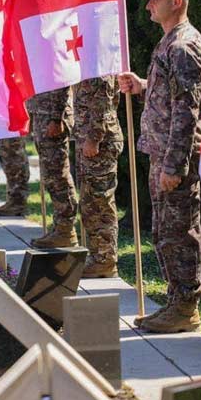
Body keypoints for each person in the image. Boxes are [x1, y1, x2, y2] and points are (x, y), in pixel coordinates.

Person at [119, 0, 201, 333]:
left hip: (176, 159)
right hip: (163, 155)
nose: (147, 5)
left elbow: (187, 112)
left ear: (176, 1)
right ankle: (177, 302)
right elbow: (171, 99)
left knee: (179, 232)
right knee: (165, 232)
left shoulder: (183, 47)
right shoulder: (170, 43)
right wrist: (142, 87)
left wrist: (174, 165)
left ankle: (186, 306)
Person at [73, 76, 123, 278]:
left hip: (100, 144)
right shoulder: (90, 61)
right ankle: (98, 256)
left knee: (100, 201)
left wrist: (94, 138)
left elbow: (102, 102)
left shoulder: (99, 65)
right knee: (90, 202)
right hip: (90, 142)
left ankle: (105, 259)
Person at [27, 87, 79, 248]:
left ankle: (66, 229)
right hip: (42, 113)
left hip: (52, 117)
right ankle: (59, 227)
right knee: (50, 175)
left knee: (58, 175)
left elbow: (61, 80)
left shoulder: (52, 59)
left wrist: (57, 117)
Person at [0, 137, 31, 216]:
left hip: (12, 127)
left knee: (13, 156)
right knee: (8, 157)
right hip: (6, 126)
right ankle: (14, 200)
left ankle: (17, 203)